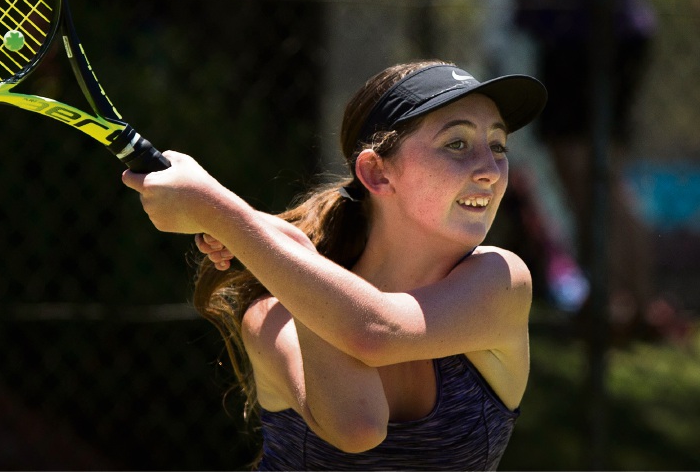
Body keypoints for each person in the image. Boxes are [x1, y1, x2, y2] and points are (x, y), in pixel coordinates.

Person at [123, 60, 547, 470]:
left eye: (498, 146)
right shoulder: (273, 314)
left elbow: (377, 331)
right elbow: (357, 426)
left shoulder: (502, 281)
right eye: (457, 144)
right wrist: (264, 235)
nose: (491, 171)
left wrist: (220, 212)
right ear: (377, 173)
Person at [484, 0, 658, 336]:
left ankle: (617, 302)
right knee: (600, 171)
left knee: (585, 169)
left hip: (585, 38)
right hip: (600, 34)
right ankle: (629, 301)